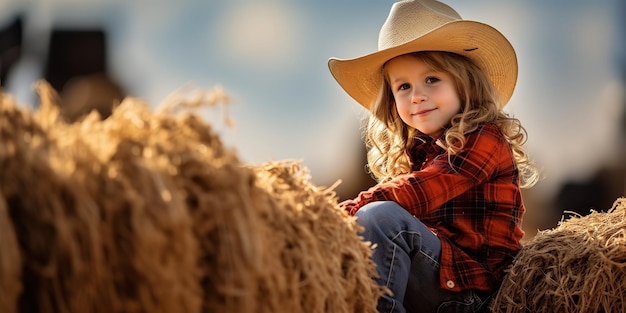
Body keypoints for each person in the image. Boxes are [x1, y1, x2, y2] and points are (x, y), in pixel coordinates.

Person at [327, 1, 539, 312]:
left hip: (474, 295)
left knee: (380, 218)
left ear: (464, 83)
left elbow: (421, 191)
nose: (416, 96)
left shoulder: (483, 139)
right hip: (434, 282)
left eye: (431, 79)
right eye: (403, 86)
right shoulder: (421, 152)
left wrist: (337, 215)